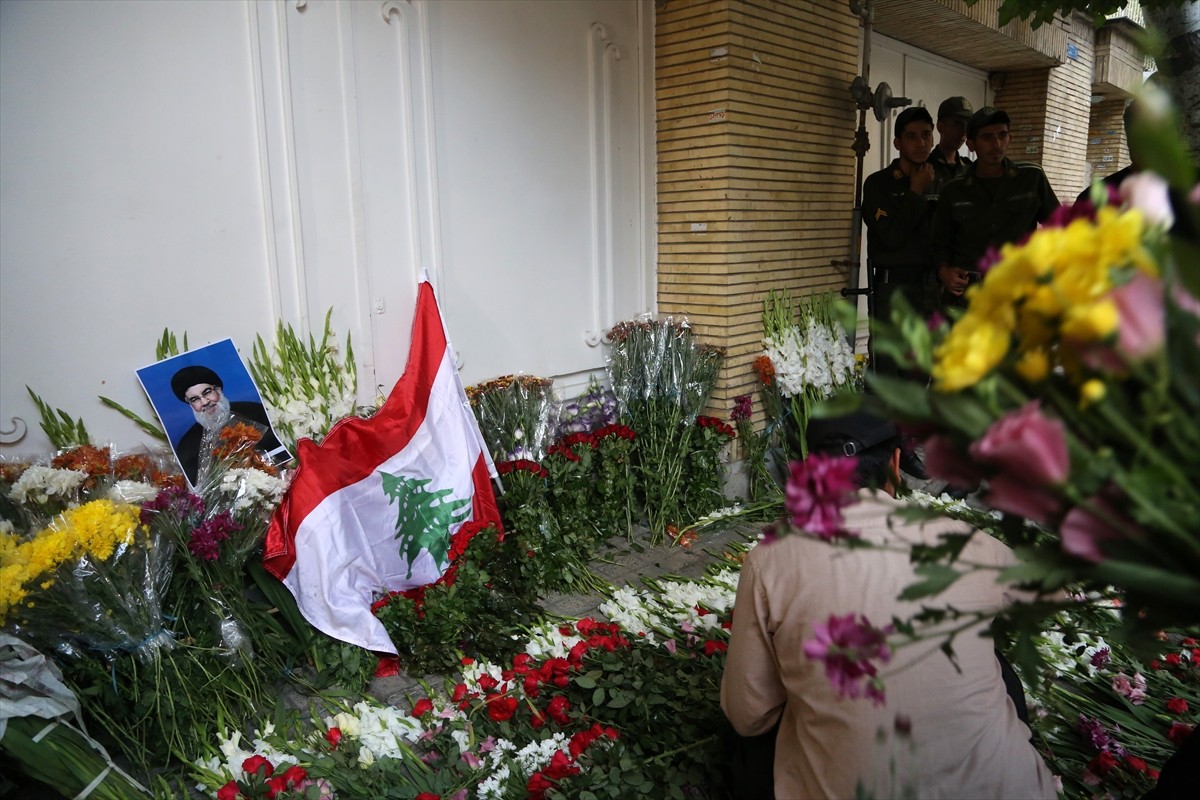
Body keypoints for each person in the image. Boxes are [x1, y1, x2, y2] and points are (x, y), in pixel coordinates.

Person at [720, 411, 1056, 800]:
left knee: (745, 729)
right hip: (1010, 790)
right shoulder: (964, 541)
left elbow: (748, 716)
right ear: (895, 465)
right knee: (997, 664)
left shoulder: (771, 559)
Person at [930, 106, 1059, 308]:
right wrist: (944, 271)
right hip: (969, 294)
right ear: (971, 144)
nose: (997, 144)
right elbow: (940, 242)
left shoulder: (1031, 178)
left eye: (1002, 135)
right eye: (987, 138)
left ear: (1010, 137)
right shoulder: (954, 189)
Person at [861, 105, 936, 331]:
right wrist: (915, 191)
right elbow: (892, 237)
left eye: (926, 135)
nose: (921, 143)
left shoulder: (941, 180)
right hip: (893, 289)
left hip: (931, 289)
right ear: (897, 143)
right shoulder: (879, 184)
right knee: (889, 363)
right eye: (911, 137)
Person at [170, 364, 287, 486]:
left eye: (207, 392)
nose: (204, 402)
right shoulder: (187, 447)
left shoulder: (256, 411)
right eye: (195, 399)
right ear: (190, 404)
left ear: (219, 389)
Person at [928, 95, 974, 204]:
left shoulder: (970, 169)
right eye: (957, 124)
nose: (963, 132)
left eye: (967, 125)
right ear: (940, 127)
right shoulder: (924, 168)